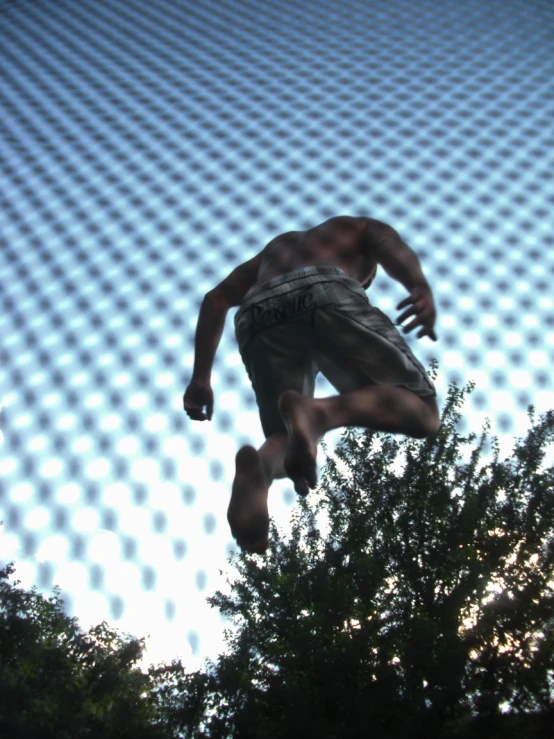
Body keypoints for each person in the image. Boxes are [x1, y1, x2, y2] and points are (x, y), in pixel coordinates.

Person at [184, 215, 440, 554]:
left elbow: (216, 299)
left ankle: (261, 468)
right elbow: (388, 243)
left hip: (257, 311)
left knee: (286, 437)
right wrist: (418, 284)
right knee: (422, 409)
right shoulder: (358, 228)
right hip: (324, 290)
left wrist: (200, 377)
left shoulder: (275, 249)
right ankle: (320, 414)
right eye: (365, 282)